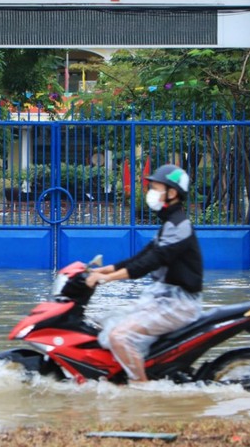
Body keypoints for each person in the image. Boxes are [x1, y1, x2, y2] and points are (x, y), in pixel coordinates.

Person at [86, 163, 203, 382]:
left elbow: (151, 262)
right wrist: (106, 269)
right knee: (103, 321)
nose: (151, 193)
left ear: (172, 193)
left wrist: (107, 279)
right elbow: (142, 256)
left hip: (179, 305)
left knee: (119, 336)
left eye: (156, 188)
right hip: (163, 299)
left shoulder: (179, 226)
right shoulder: (170, 224)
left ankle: (142, 390)